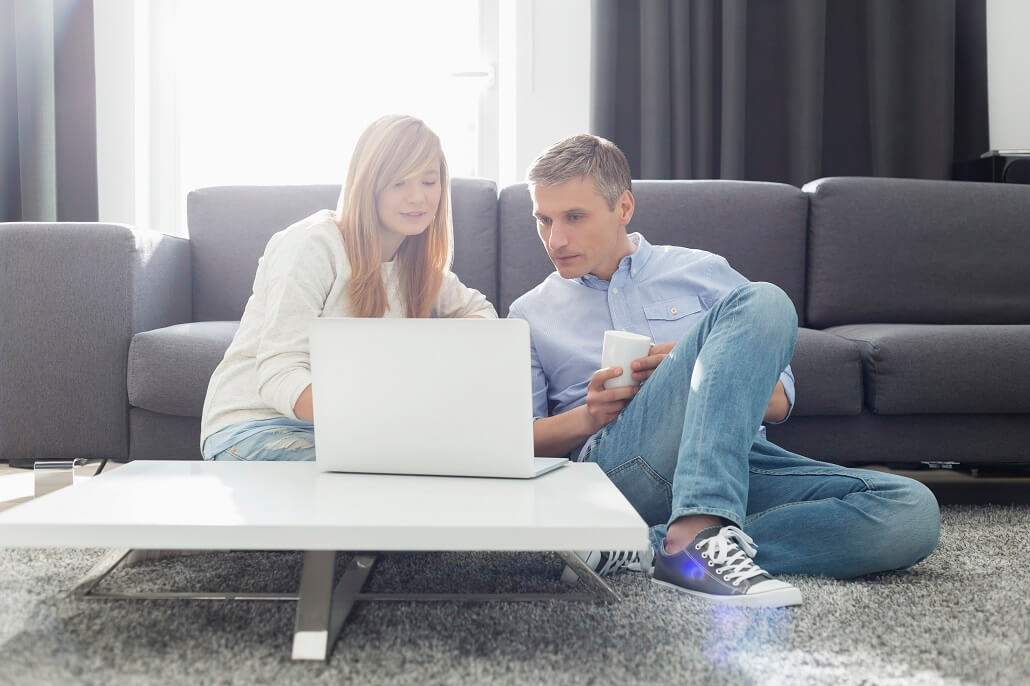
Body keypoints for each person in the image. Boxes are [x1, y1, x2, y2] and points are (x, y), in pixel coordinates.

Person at [507, 134, 940, 607]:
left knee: (911, 511)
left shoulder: (702, 271)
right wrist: (591, 416)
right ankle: (696, 532)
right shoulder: (530, 312)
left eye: (574, 217)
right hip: (621, 471)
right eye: (543, 220)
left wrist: (705, 363)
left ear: (623, 207)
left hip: (737, 458)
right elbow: (516, 440)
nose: (556, 239)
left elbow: (777, 403)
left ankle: (655, 548)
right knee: (764, 298)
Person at [201, 115, 496, 461]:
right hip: (255, 426)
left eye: (429, 181)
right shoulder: (313, 245)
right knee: (408, 475)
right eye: (398, 183)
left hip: (348, 432)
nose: (417, 197)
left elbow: (484, 313)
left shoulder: (415, 266)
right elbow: (280, 373)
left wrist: (430, 351)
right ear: (368, 184)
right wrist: (378, 415)